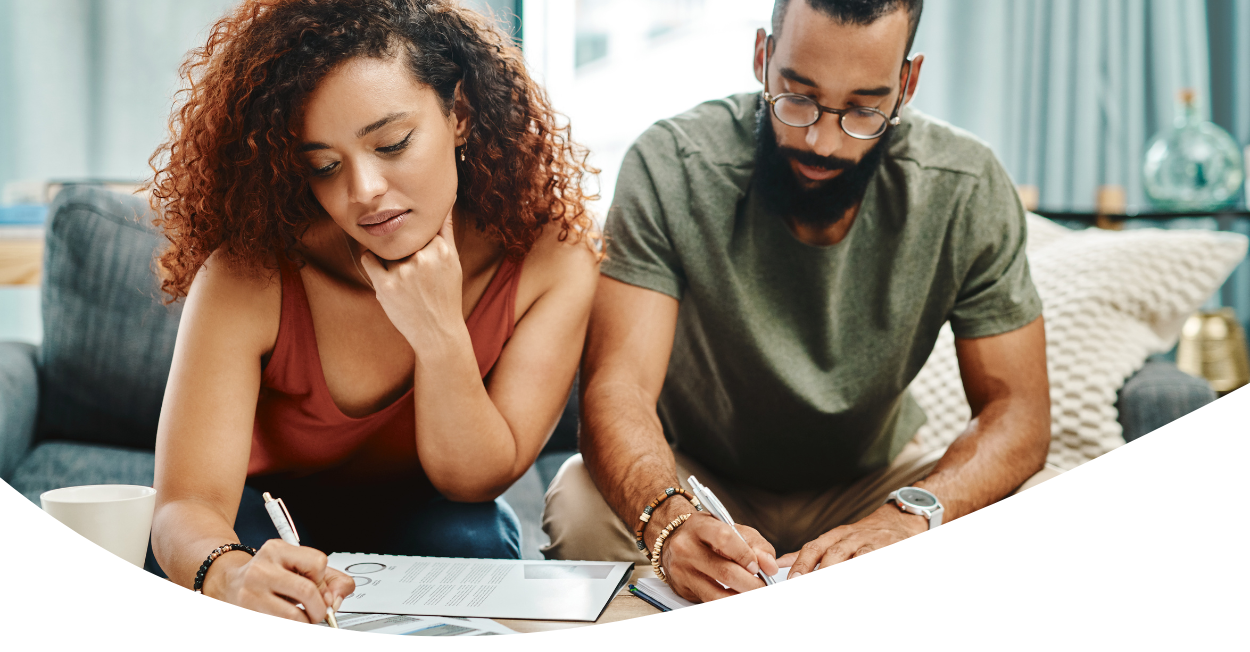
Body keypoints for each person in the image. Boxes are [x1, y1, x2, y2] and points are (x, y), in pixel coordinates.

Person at [543, 0, 1058, 604]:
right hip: (700, 479)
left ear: (907, 85)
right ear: (762, 58)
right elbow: (617, 387)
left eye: (864, 108)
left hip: (875, 484)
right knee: (576, 502)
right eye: (799, 97)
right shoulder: (671, 166)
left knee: (1047, 500)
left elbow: (1018, 413)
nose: (823, 140)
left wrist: (908, 519)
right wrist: (671, 521)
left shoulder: (966, 186)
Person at [149, 0, 599, 623]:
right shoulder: (247, 276)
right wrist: (228, 574)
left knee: (473, 537)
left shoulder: (554, 257)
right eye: (324, 167)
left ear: (460, 114)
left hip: (435, 518)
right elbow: (183, 506)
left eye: (391, 143)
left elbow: (472, 482)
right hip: (265, 520)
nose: (362, 192)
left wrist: (438, 331)